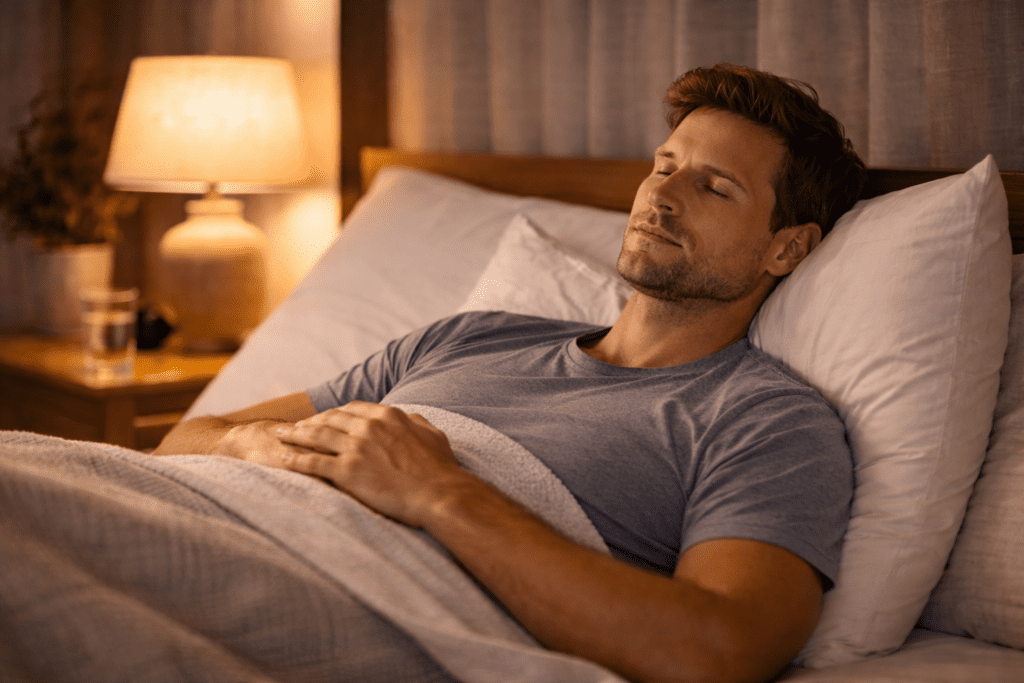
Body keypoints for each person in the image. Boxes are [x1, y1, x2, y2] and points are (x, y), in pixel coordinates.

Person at [156, 63, 866, 683]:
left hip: (320, 600)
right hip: (220, 519)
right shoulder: (471, 334)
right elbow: (186, 439)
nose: (662, 195)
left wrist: (437, 491)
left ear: (787, 247)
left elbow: (717, 651)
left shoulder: (767, 418)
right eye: (663, 164)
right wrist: (257, 446)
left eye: (713, 186)